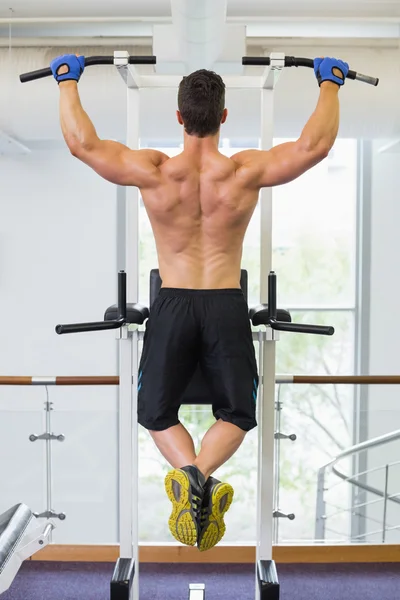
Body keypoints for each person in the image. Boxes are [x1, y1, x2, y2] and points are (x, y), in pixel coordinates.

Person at [50, 53, 349, 552]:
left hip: (173, 304)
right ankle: (200, 476)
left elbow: (82, 144)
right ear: (224, 117)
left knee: (155, 412)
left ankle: (187, 475)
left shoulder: (155, 171)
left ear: (179, 117)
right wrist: (330, 85)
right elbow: (313, 146)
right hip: (226, 304)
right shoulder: (244, 171)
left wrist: (66, 83)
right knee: (237, 413)